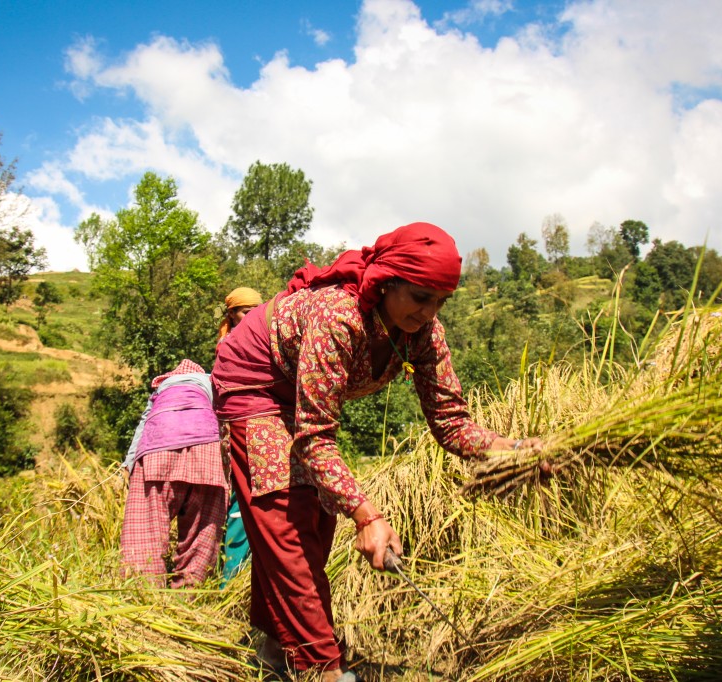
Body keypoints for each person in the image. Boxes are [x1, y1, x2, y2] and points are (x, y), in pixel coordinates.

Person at [211, 222, 545, 681]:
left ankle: (274, 650)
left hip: (300, 399)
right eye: (420, 297)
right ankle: (322, 669)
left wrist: (514, 451)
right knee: (287, 523)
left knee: (316, 521)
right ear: (387, 282)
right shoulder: (338, 317)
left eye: (440, 301)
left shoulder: (425, 335)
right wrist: (368, 515)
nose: (429, 313)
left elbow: (451, 423)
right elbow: (314, 436)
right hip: (255, 386)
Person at [120, 359, 228, 588]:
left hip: (158, 448)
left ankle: (143, 595)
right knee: (201, 534)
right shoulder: (211, 386)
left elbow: (143, 424)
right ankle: (189, 594)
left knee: (145, 533)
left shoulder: (163, 390)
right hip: (206, 451)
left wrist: (129, 465)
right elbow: (224, 421)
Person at [216, 286, 263, 585]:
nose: (252, 317)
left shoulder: (251, 339)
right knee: (239, 504)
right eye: (247, 311)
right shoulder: (229, 345)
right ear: (232, 314)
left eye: (257, 311)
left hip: (255, 428)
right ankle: (230, 583)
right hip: (240, 430)